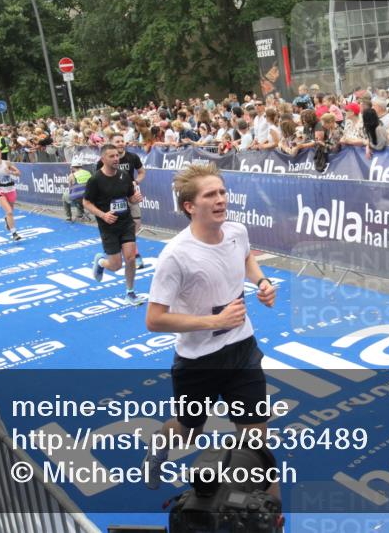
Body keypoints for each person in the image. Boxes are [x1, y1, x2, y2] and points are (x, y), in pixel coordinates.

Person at [142, 163, 277, 492]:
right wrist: (214, 321)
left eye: (222, 192)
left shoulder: (237, 231)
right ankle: (159, 445)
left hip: (243, 350)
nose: (220, 199)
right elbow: (154, 319)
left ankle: (264, 511)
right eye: (210, 195)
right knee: (188, 431)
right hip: (198, 361)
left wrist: (262, 282)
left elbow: (246, 258)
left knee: (255, 444)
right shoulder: (175, 255)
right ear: (190, 206)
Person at [83, 144, 144, 303]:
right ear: (103, 159)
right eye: (112, 156)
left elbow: (130, 198)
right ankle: (101, 262)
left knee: (130, 258)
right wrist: (103, 215)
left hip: (126, 223)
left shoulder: (124, 176)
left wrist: (134, 199)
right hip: (108, 227)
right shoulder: (95, 180)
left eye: (117, 155)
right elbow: (86, 202)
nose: (116, 159)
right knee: (116, 265)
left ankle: (130, 293)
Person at [112, 133, 147, 270]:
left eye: (122, 141)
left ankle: (128, 247)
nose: (120, 143)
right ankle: (135, 254)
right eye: (117, 141)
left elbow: (142, 172)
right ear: (111, 143)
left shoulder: (132, 157)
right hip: (115, 198)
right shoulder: (106, 160)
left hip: (131, 194)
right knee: (122, 227)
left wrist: (136, 181)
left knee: (136, 222)